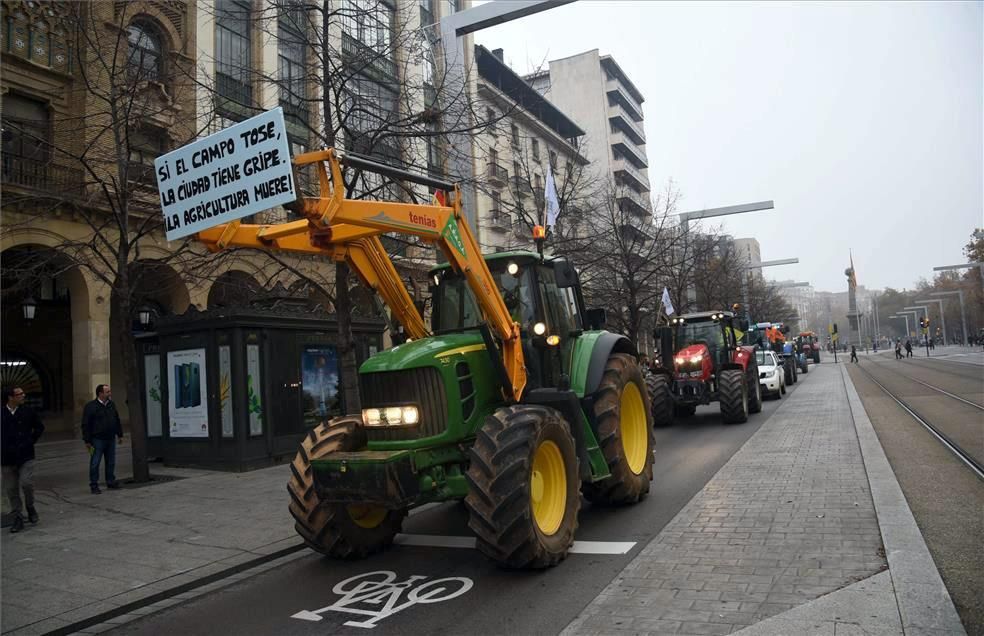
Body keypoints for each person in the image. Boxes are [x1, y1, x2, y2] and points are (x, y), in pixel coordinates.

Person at [2, 387, 44, 533]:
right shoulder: (2, 414)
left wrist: (30, 441)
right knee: (11, 489)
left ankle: (30, 506)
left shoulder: (28, 411)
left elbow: (39, 427)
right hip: (7, 458)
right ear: (10, 397)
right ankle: (17, 517)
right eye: (19, 394)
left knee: (27, 483)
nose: (23, 395)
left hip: (26, 455)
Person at [81, 384, 124, 494]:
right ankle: (94, 484)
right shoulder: (91, 406)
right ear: (100, 393)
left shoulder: (111, 404)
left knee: (111, 462)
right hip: (97, 439)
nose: (110, 393)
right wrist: (87, 440)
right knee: (95, 462)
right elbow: (85, 424)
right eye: (107, 392)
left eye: (109, 391)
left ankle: (110, 481)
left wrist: (119, 434)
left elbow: (116, 419)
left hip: (110, 438)